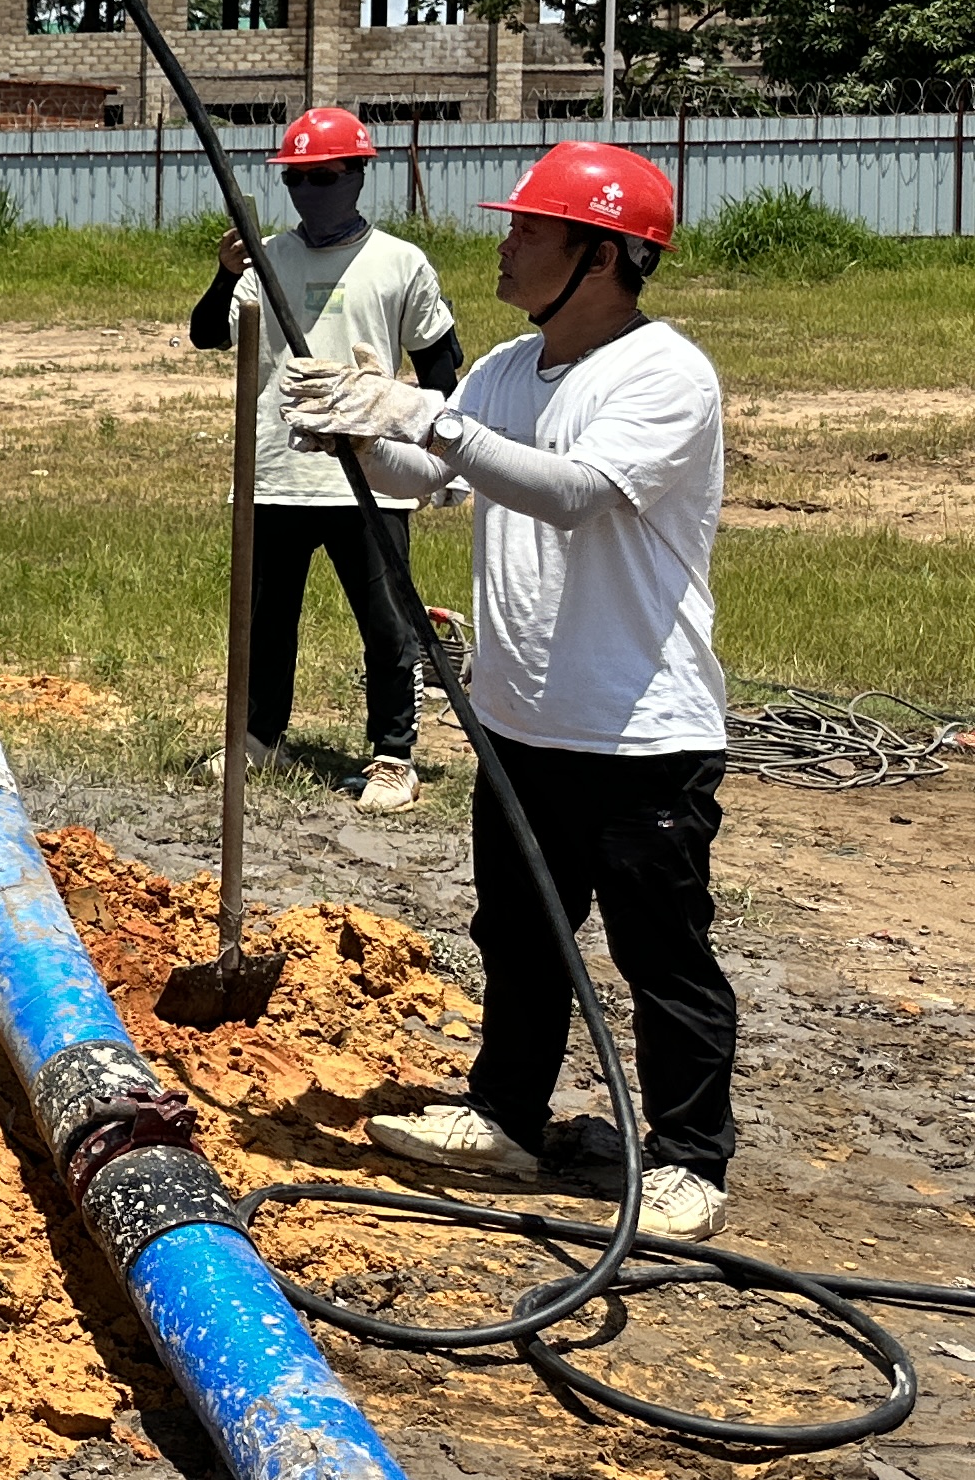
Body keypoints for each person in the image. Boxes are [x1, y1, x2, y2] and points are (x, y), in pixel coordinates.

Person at [288, 141, 738, 1242]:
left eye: (528, 230)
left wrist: (421, 414)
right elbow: (431, 476)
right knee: (521, 935)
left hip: (640, 734)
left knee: (661, 956)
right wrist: (359, 431)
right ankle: (506, 1117)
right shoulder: (502, 367)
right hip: (519, 720)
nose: (503, 246)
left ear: (602, 256)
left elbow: (574, 491)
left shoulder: (665, 375)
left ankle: (690, 1159)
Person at [191, 107, 459, 813]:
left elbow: (440, 366)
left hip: (369, 474)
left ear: (360, 175)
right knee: (264, 621)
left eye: (325, 177)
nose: (309, 192)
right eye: (296, 180)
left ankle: (393, 756)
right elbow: (207, 334)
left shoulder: (400, 262)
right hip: (275, 471)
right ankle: (258, 738)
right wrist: (224, 274)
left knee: (387, 623)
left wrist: (425, 445)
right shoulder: (266, 260)